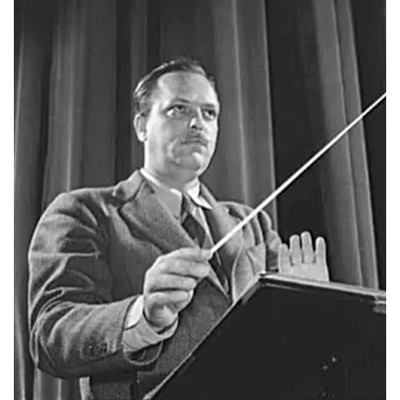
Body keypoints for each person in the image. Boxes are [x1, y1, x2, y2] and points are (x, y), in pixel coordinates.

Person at [28, 58, 329, 400]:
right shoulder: (85, 212)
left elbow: (286, 348)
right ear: (142, 126)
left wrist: (309, 308)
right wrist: (142, 316)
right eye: (179, 109)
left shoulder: (253, 224)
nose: (198, 123)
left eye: (209, 113)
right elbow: (50, 336)